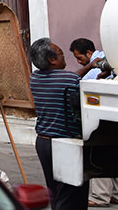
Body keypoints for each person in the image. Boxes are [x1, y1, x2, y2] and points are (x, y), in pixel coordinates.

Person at [29, 37, 89, 210]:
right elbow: (73, 79)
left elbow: (69, 77)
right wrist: (92, 68)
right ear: (52, 59)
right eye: (61, 55)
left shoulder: (35, 78)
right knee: (70, 193)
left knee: (55, 191)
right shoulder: (69, 80)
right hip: (64, 142)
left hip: (43, 141)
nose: (64, 59)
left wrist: (89, 68)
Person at [68, 38, 118, 207]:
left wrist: (89, 68)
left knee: (98, 154)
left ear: (89, 53)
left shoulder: (94, 66)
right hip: (112, 116)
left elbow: (77, 82)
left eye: (79, 58)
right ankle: (115, 194)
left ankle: (100, 196)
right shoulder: (110, 57)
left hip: (98, 118)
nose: (79, 62)